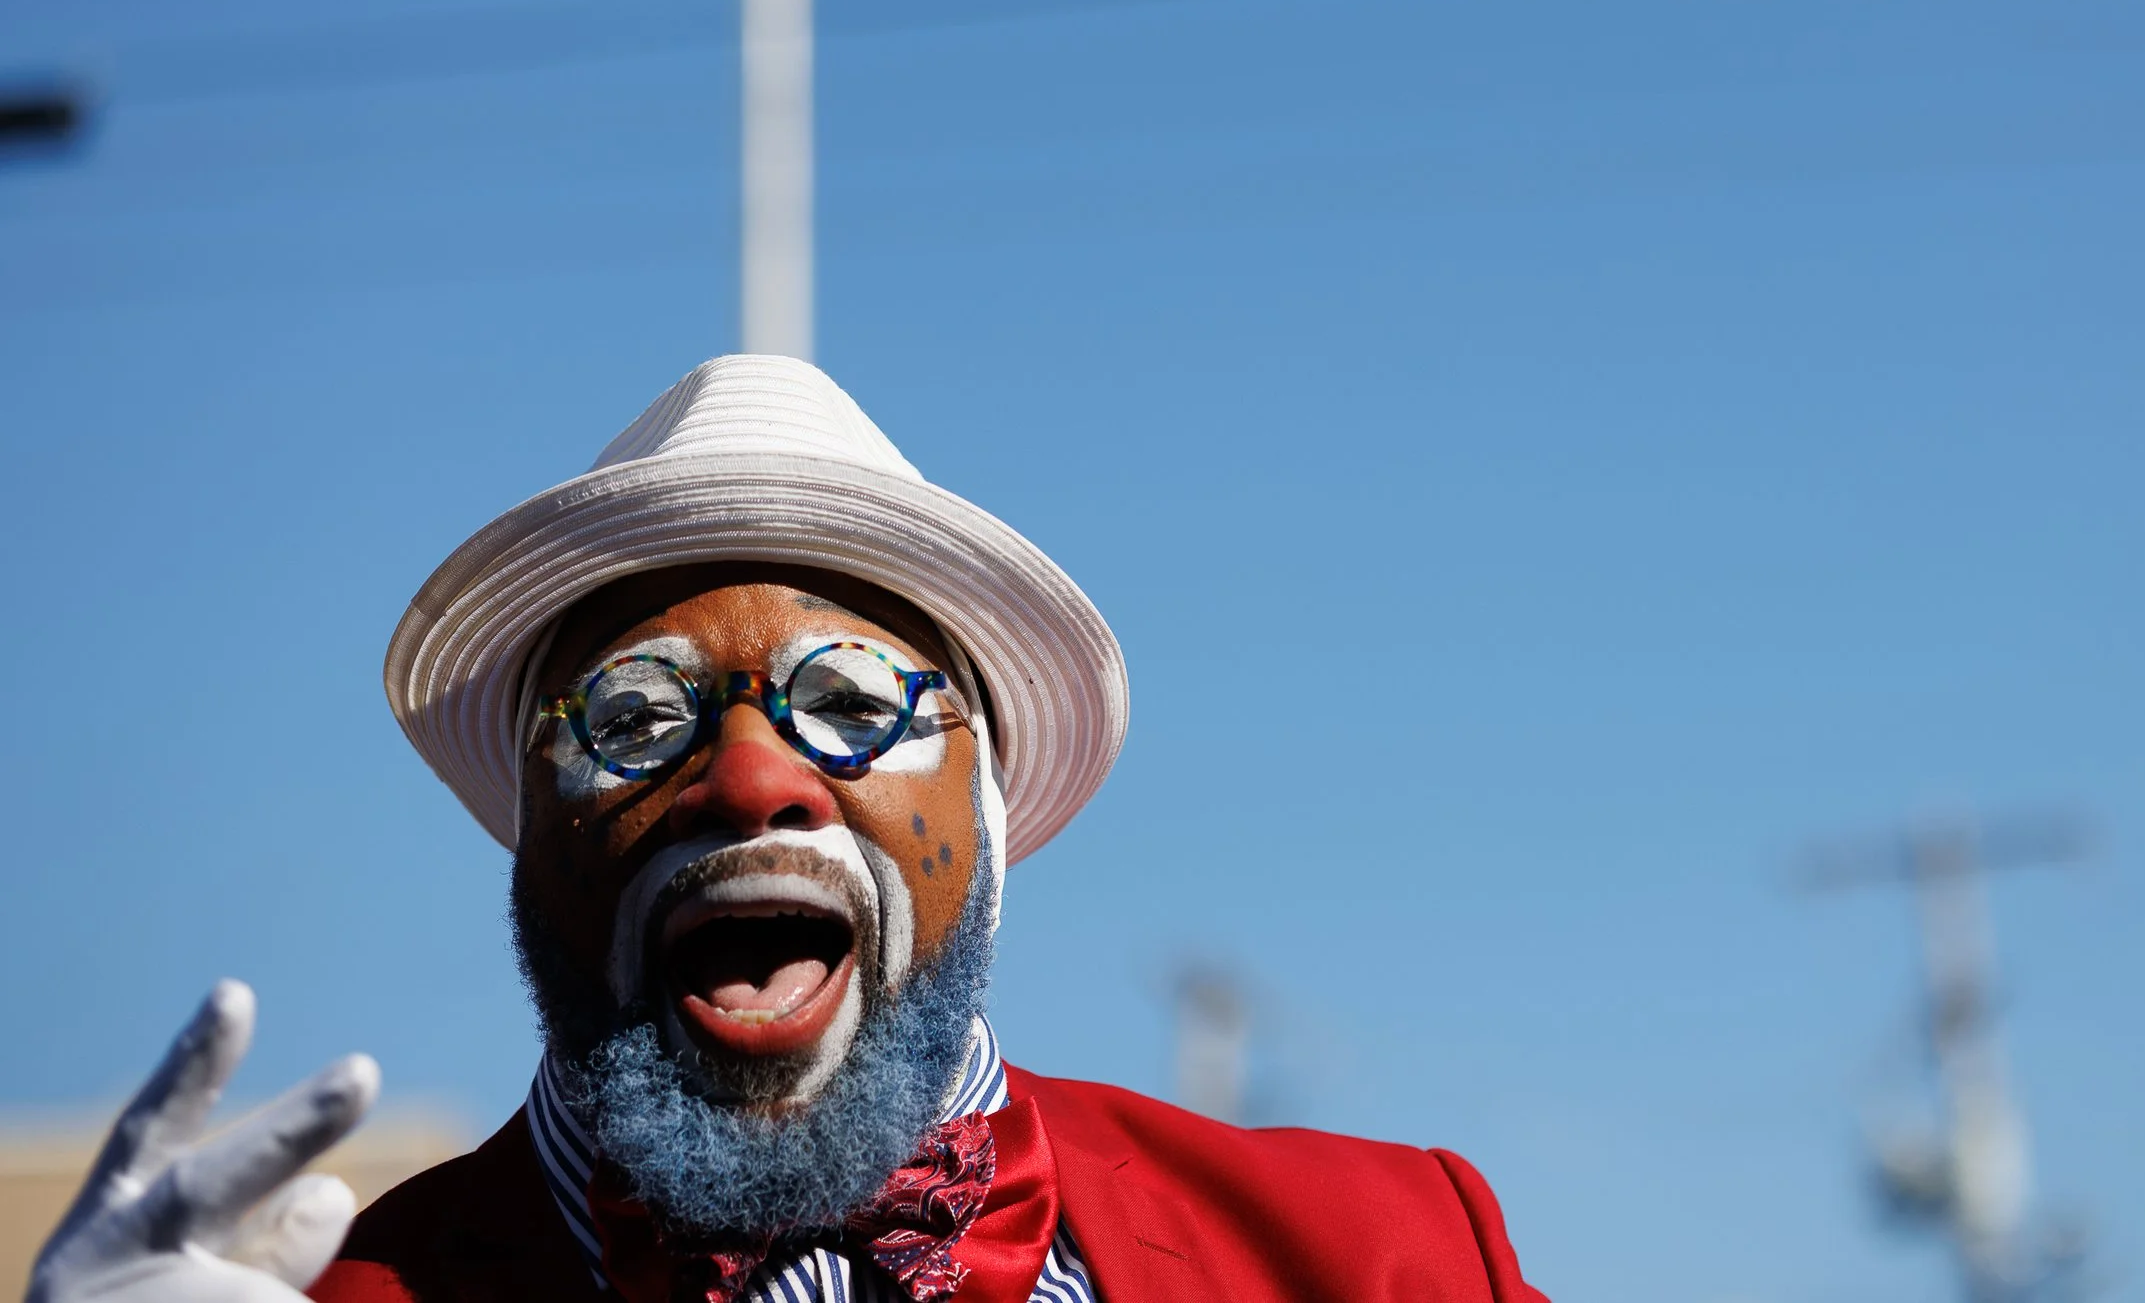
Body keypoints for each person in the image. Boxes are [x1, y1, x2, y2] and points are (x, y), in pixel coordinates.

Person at [28, 357, 1548, 1303]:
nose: (751, 781)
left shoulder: (1386, 1261)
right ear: (531, 839)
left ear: (992, 813)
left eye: (849, 699)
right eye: (631, 720)